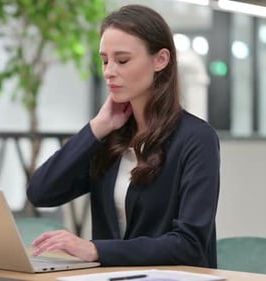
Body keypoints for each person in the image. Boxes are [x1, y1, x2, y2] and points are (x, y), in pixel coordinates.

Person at [27, 4, 219, 268]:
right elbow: (41, 192)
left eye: (122, 60)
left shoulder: (197, 139)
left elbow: (190, 245)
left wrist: (95, 249)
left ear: (160, 60)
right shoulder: (110, 137)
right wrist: (97, 126)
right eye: (105, 60)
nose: (109, 72)